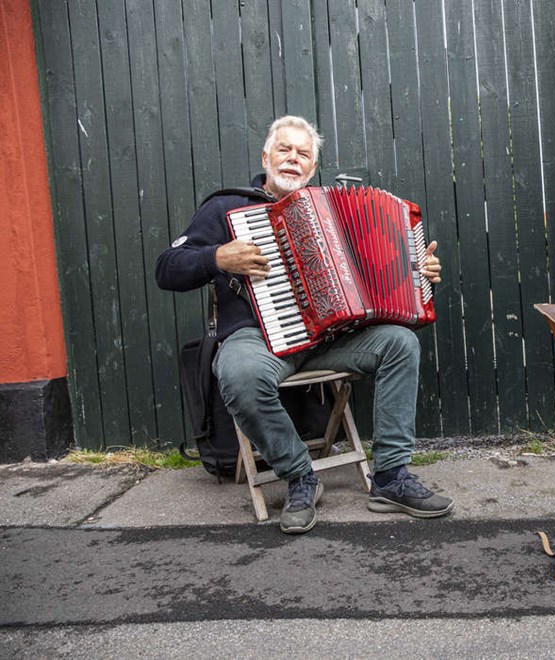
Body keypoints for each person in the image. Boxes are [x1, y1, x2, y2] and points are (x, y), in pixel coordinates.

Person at [156, 115, 453, 534]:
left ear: (312, 168)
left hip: (328, 340)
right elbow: (167, 269)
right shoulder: (226, 207)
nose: (293, 159)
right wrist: (218, 258)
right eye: (285, 149)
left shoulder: (328, 209)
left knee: (400, 342)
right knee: (238, 372)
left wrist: (418, 271)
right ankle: (300, 476)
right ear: (266, 156)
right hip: (259, 339)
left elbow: (380, 274)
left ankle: (389, 477)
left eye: (303, 154)